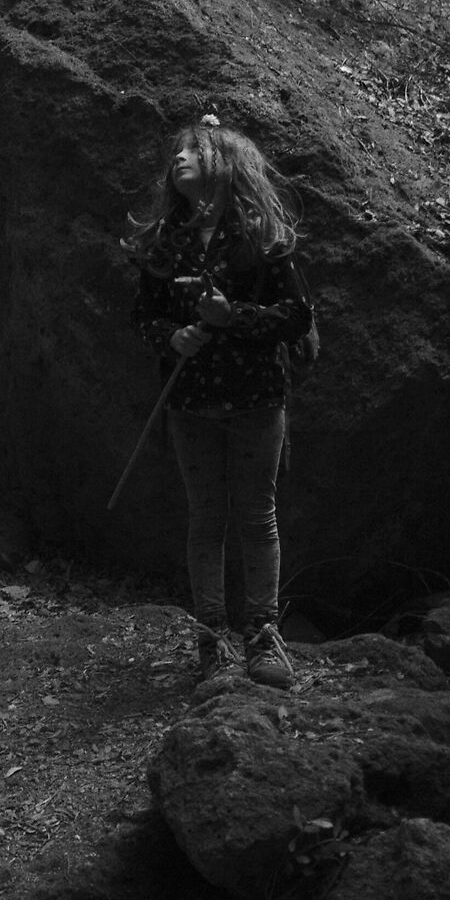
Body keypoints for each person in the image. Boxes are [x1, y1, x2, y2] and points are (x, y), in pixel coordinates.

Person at [126, 114, 314, 688]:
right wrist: (172, 336)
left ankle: (262, 638)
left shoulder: (261, 236)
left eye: (193, 150)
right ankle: (212, 643)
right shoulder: (164, 241)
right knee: (206, 518)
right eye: (176, 152)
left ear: (223, 162)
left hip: (256, 396)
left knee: (257, 517)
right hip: (191, 399)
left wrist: (233, 317)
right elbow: (143, 316)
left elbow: (297, 315)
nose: (178, 158)